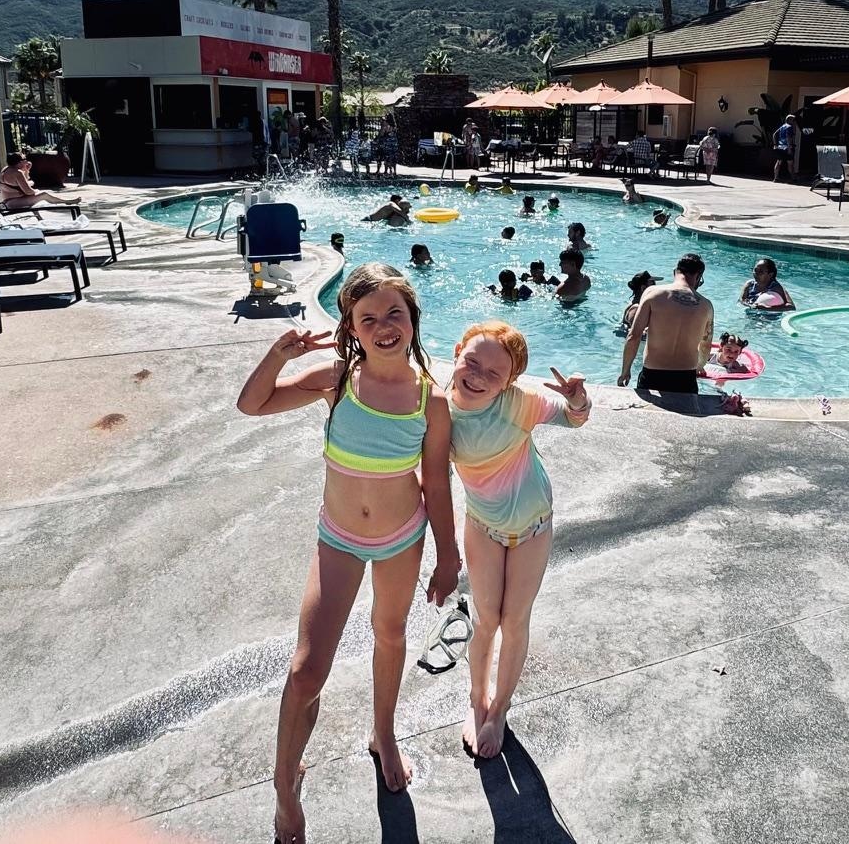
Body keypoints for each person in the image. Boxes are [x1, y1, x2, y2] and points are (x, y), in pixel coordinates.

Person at [233, 265, 459, 842]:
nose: (384, 327)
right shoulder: (337, 380)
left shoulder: (430, 400)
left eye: (394, 314)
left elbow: (436, 479)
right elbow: (252, 405)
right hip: (338, 537)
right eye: (368, 318)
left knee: (391, 633)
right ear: (351, 328)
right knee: (306, 670)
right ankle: (286, 789)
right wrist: (279, 355)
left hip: (401, 536)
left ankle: (384, 732)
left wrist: (448, 555)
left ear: (413, 320)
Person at [445, 321, 590, 758]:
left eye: (495, 373)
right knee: (486, 619)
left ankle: (500, 709)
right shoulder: (437, 408)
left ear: (509, 381)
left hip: (533, 527)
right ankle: (477, 701)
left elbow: (574, 418)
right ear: (456, 352)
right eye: (472, 362)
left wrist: (578, 398)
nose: (478, 376)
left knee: (515, 620)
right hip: (483, 527)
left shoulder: (519, 403)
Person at [617, 253, 713, 393]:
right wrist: (699, 367)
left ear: (675, 272)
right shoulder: (706, 305)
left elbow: (634, 336)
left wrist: (625, 371)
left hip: (652, 373)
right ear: (698, 277)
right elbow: (705, 345)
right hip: (686, 376)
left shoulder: (652, 293)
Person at [0, 152, 70, 212]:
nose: (27, 161)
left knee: (37, 191)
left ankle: (64, 202)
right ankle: (66, 202)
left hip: (5, 201)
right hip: (13, 203)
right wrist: (36, 190)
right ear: (20, 162)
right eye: (25, 159)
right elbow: (29, 192)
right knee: (44, 195)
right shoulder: (17, 173)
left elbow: (23, 182)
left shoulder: (5, 169)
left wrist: (26, 169)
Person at [772, 113, 798, 183]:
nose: (795, 121)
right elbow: (788, 138)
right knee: (790, 163)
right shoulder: (789, 127)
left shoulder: (782, 126)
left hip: (780, 147)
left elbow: (774, 134)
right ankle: (793, 178)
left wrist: (775, 144)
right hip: (787, 148)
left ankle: (776, 178)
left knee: (778, 162)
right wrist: (789, 149)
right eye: (794, 120)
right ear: (790, 120)